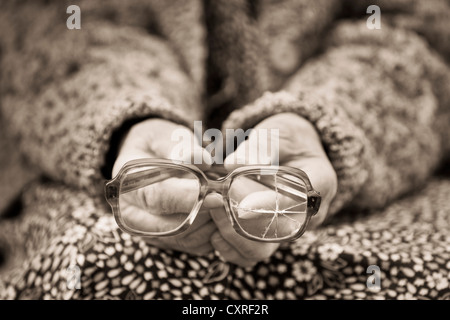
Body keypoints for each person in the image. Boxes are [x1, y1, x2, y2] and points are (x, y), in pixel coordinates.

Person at [0, 0, 449, 300]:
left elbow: (417, 29)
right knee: (97, 264)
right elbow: (59, 24)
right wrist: (133, 123)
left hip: (378, 159)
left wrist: (324, 124)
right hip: (85, 159)